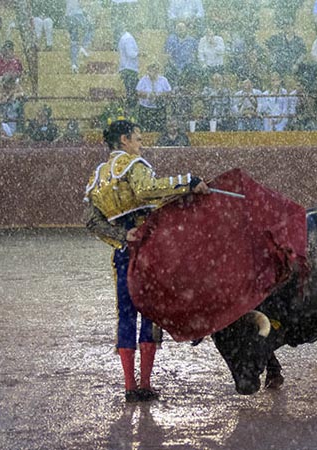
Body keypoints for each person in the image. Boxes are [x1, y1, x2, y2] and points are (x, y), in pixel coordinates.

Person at [83, 119, 209, 403]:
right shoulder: (134, 164)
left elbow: (91, 221)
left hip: (123, 252)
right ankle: (146, 384)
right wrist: (187, 182)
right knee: (150, 312)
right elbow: (146, 191)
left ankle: (130, 386)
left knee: (126, 313)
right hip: (149, 250)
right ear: (125, 140)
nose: (141, 143)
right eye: (138, 138)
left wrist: (121, 235)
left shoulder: (98, 176)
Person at [136, 62, 172, 132]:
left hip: (159, 108)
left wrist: (158, 95)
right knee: (145, 129)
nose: (154, 73)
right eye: (152, 70)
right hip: (145, 108)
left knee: (160, 129)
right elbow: (138, 93)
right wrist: (148, 95)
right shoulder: (143, 80)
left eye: (156, 70)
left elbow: (168, 93)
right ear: (148, 71)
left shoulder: (163, 80)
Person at [65, 0, 94, 74]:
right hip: (78, 14)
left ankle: (74, 64)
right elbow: (83, 3)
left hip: (68, 16)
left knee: (74, 41)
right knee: (90, 28)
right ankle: (84, 46)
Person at [117, 29, 139, 111]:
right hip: (130, 68)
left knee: (129, 90)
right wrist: (139, 53)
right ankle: (131, 110)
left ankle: (128, 109)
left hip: (125, 68)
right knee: (132, 92)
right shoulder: (129, 38)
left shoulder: (124, 37)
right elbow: (131, 54)